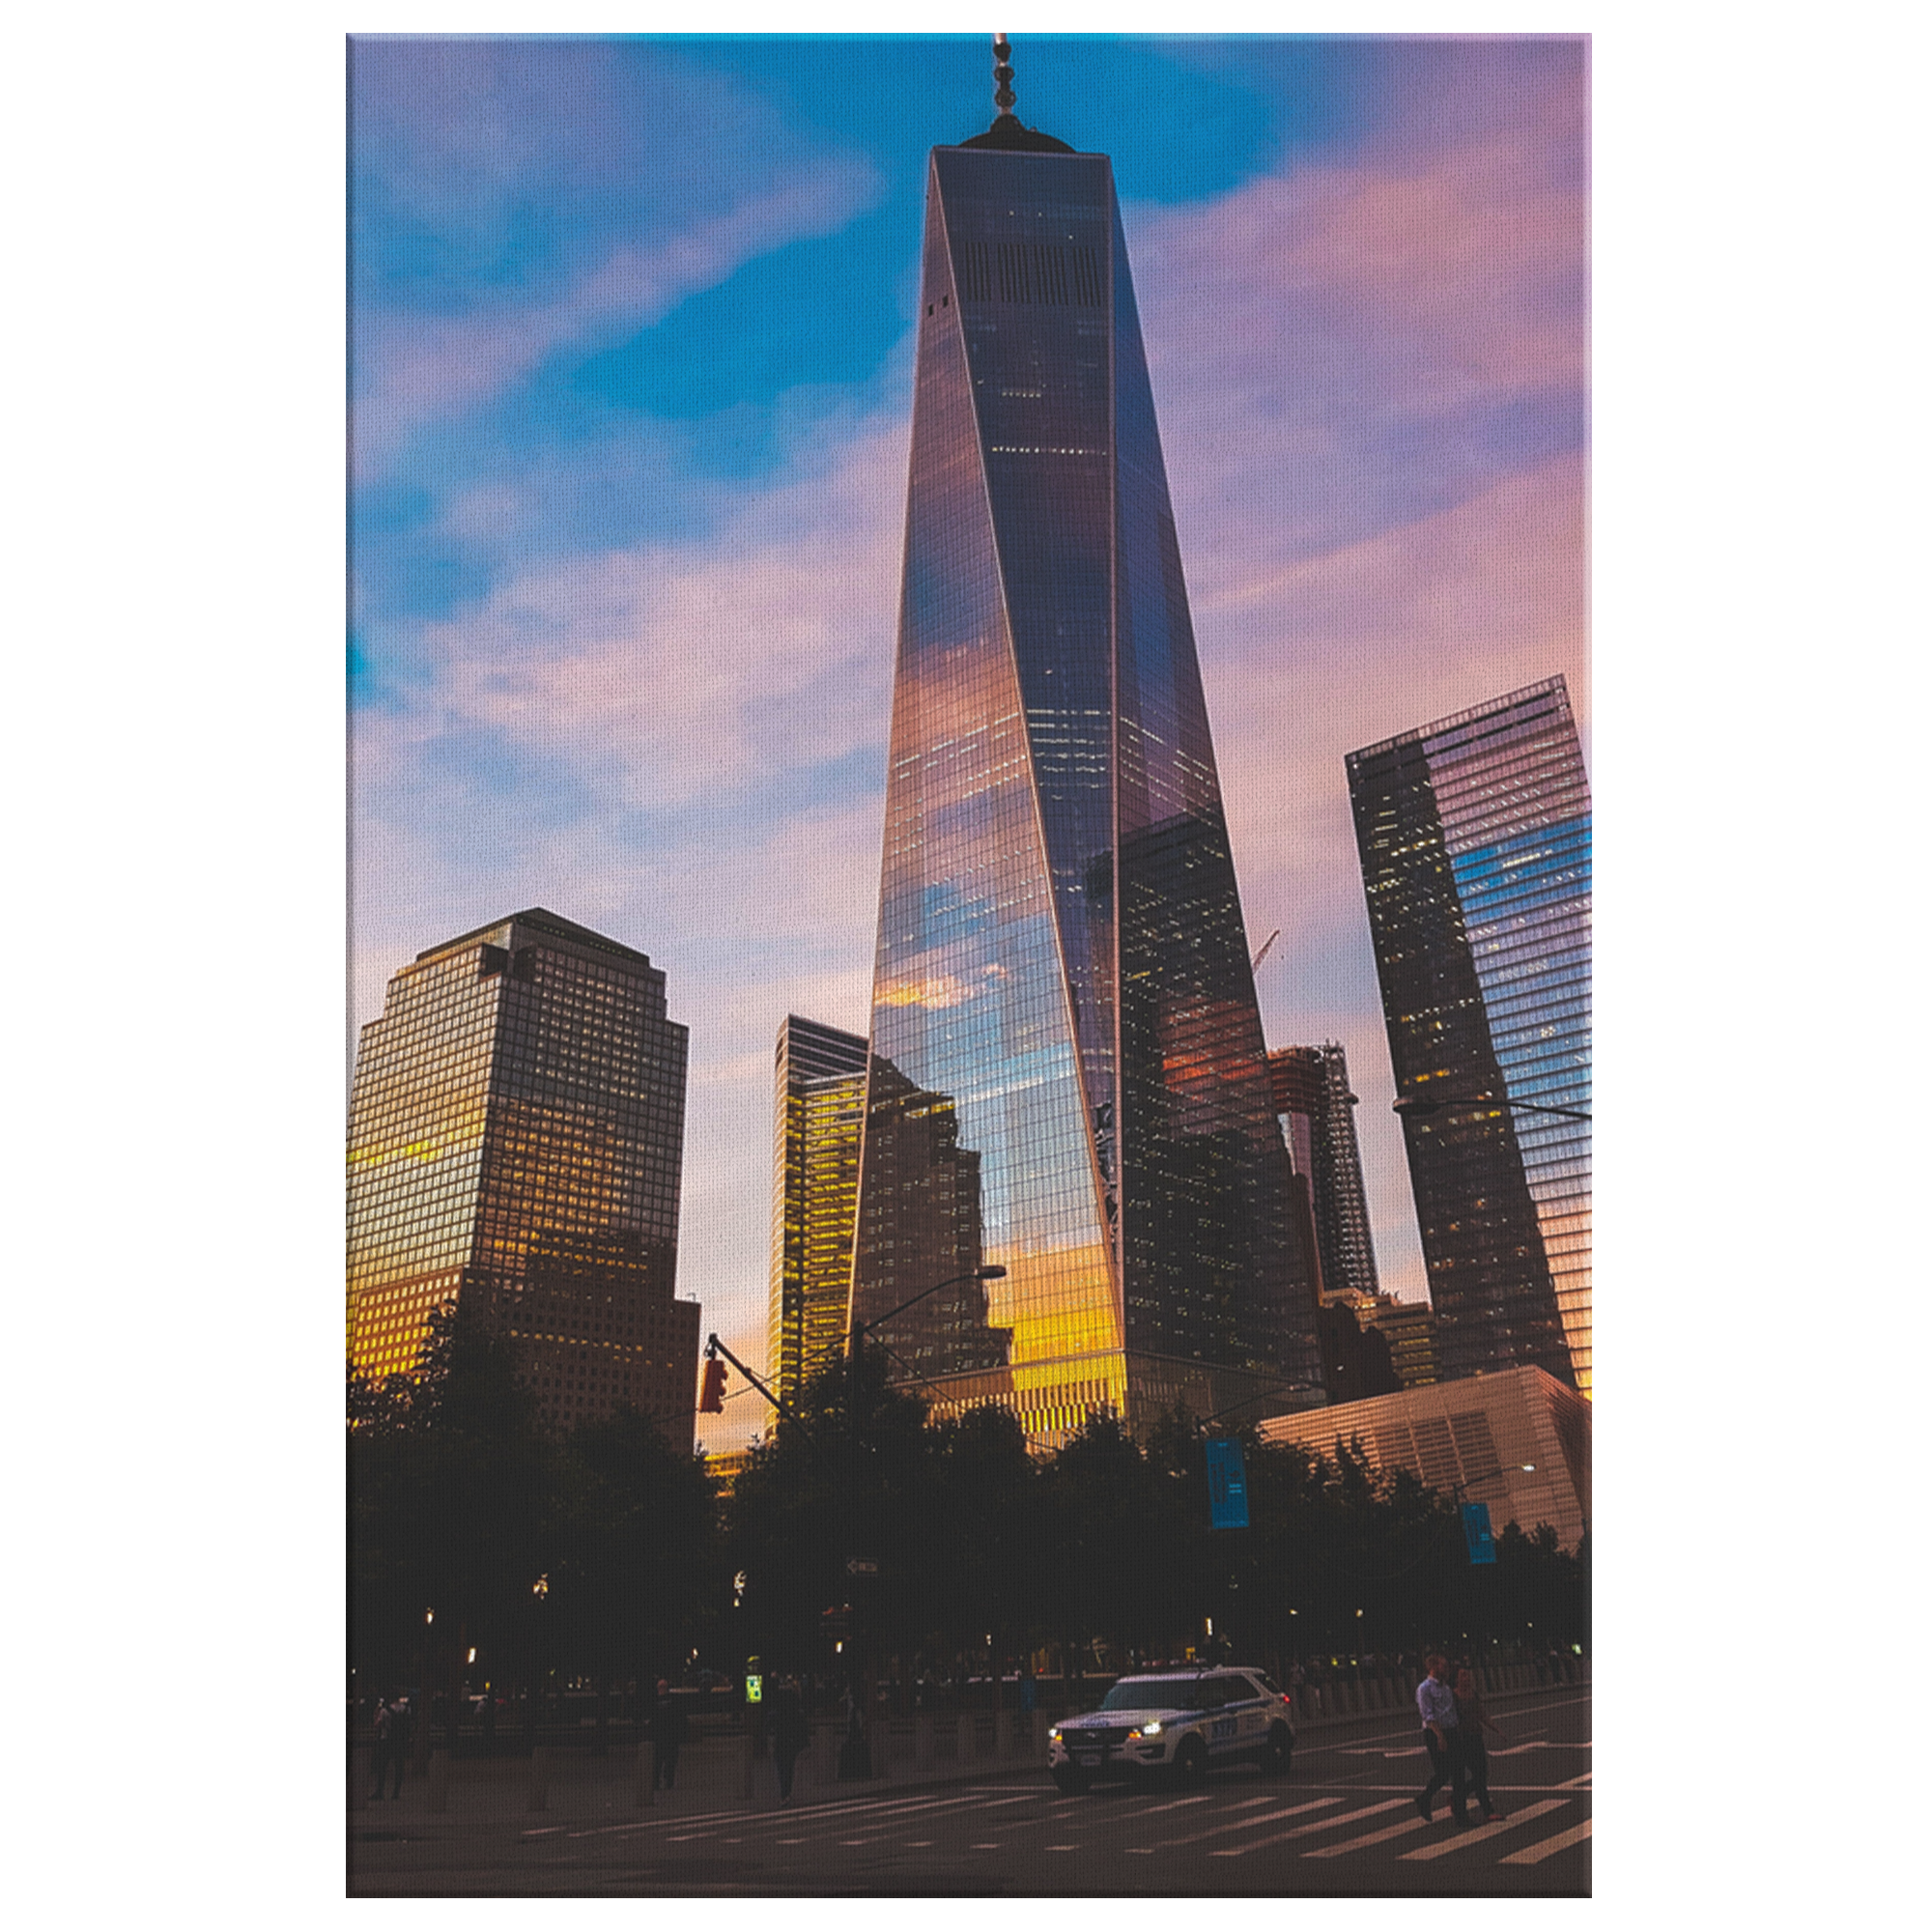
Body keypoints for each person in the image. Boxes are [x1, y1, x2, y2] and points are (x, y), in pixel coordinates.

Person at [1412, 1654, 1470, 1826]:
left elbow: (1451, 1712)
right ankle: (1424, 1798)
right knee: (1444, 1773)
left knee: (1459, 1773)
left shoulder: (1446, 1687)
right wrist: (1440, 1736)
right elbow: (1428, 1715)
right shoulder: (1425, 1688)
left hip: (1452, 1731)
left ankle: (1461, 1815)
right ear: (1433, 1666)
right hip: (1435, 1733)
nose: (1446, 1669)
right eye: (1443, 1666)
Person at [1453, 1666, 1507, 1822]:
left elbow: (1481, 1714)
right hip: (1463, 1740)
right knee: (1478, 1776)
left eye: (1467, 1675)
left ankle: (1458, 1796)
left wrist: (1496, 1730)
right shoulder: (1453, 1696)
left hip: (1476, 1737)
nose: (1466, 1678)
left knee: (1482, 1774)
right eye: (1463, 1675)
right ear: (1456, 1679)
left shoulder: (1473, 1694)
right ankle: (1487, 1811)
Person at [770, 1676, 807, 1805]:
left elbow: (771, 1723)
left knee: (782, 1769)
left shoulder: (779, 1711)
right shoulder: (794, 1710)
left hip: (782, 1741)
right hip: (789, 1741)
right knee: (788, 1768)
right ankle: (786, 1792)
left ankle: (784, 1793)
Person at [649, 1678, 688, 1791]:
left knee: (663, 1761)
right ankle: (664, 1781)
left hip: (666, 1736)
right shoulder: (672, 1701)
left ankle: (662, 1782)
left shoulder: (656, 1701)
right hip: (666, 1736)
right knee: (663, 1761)